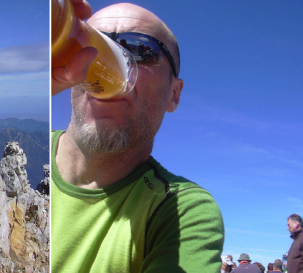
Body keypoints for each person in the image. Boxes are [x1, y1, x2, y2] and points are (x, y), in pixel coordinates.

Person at [50, 0, 224, 272]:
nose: (101, 62)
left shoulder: (180, 211)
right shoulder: (29, 160)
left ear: (174, 94)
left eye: (140, 49)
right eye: (88, 45)